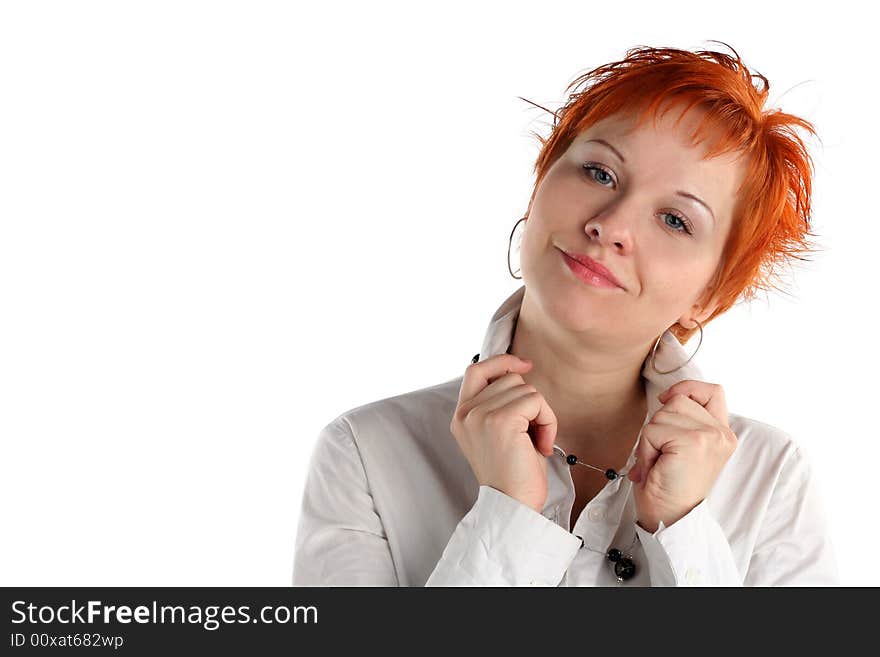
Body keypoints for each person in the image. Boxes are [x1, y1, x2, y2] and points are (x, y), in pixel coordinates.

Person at [291, 43, 840, 586]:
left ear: (710, 296)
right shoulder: (367, 453)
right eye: (600, 173)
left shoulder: (770, 478)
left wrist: (686, 530)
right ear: (539, 184)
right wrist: (508, 518)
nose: (612, 225)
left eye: (675, 220)